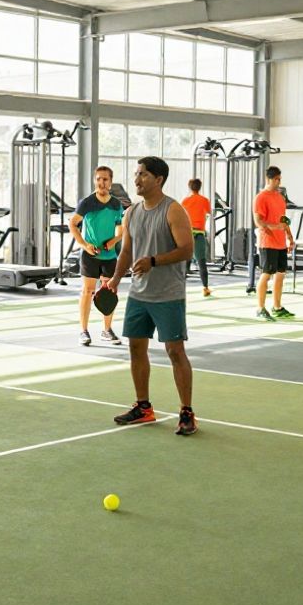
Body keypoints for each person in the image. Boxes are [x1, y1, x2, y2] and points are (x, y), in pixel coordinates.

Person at [103, 157, 198, 436]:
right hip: (138, 295)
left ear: (158, 180)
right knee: (135, 349)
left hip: (168, 295)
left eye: (143, 175)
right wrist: (115, 279)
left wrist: (154, 261)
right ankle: (143, 407)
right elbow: (127, 252)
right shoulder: (131, 212)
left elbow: (186, 250)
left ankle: (186, 412)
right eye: (136, 174)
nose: (137, 179)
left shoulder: (173, 210)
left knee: (174, 352)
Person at [70, 166, 125, 346]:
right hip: (90, 256)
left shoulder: (116, 204)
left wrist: (115, 239)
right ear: (95, 180)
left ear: (110, 182)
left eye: (105, 179)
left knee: (109, 292)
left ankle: (106, 330)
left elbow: (120, 227)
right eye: (99, 179)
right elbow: (73, 224)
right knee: (87, 291)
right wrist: (85, 245)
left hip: (109, 255)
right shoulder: (86, 202)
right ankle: (83, 331)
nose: (102, 182)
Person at [253, 166, 293, 320]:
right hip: (267, 242)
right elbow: (258, 221)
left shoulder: (280, 197)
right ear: (268, 179)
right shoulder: (261, 197)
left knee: (281, 274)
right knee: (266, 274)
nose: (278, 182)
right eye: (276, 179)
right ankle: (260, 308)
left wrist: (289, 236)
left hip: (281, 243)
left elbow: (283, 219)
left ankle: (277, 307)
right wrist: (275, 227)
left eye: (279, 179)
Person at [181, 178, 212, 298]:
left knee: (185, 261)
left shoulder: (185, 201)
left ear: (190, 187)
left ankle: (180, 290)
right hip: (199, 234)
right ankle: (205, 288)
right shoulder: (204, 200)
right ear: (200, 187)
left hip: (187, 233)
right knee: (201, 262)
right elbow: (208, 212)